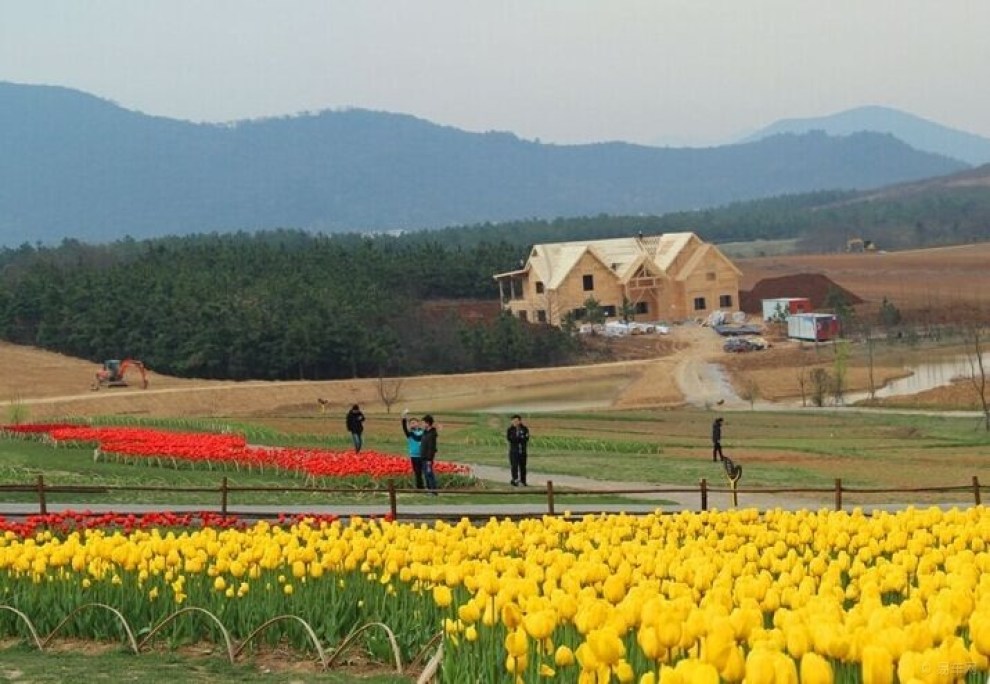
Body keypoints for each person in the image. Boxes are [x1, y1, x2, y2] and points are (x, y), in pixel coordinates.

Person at [401, 408, 425, 489]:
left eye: (414, 422)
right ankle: (420, 487)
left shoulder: (423, 432)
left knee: (423, 472)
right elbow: (404, 427)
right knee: (417, 472)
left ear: (418, 424)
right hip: (414, 456)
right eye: (411, 423)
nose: (412, 424)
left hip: (423, 455)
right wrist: (404, 416)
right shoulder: (410, 434)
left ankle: (426, 486)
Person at [506, 414, 530, 486]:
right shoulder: (510, 430)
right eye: (513, 421)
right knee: (514, 466)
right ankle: (515, 480)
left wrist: (518, 438)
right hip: (513, 451)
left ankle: (523, 481)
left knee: (523, 467)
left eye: (516, 421)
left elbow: (526, 439)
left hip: (522, 451)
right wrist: (519, 437)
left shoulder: (525, 429)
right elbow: (510, 439)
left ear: (520, 421)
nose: (515, 422)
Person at [419, 414, 439, 493]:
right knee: (426, 475)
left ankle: (433, 491)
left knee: (429, 474)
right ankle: (429, 490)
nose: (422, 425)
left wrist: (429, 459)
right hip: (423, 457)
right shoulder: (425, 433)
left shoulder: (432, 434)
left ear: (427, 423)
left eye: (423, 423)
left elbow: (431, 448)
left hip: (428, 459)